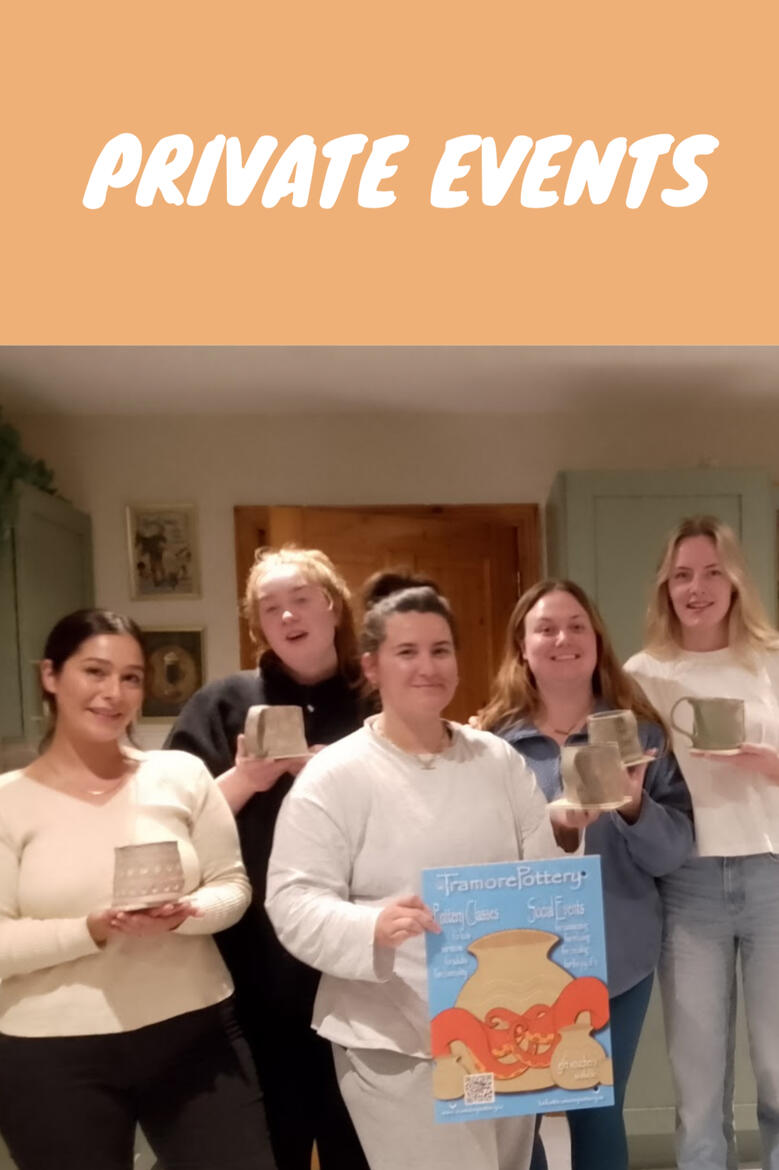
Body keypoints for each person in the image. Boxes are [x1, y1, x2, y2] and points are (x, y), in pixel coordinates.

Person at [265, 572, 562, 1170]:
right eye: (407, 652)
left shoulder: (497, 761)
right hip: (394, 1037)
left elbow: (545, 876)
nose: (428, 667)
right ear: (371, 667)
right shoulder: (337, 776)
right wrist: (370, 927)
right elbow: (292, 899)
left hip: (501, 1028)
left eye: (440, 649)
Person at [0, 609, 274, 1170]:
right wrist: (90, 930)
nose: (113, 693)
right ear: (50, 676)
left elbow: (232, 885)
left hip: (197, 1036)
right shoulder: (8, 801)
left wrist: (185, 913)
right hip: (51, 1055)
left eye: (130, 677)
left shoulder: (181, 775)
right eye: (95, 672)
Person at [479, 579, 694, 1170]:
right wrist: (559, 830)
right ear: (521, 647)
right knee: (522, 1112)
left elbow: (672, 854)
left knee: (597, 1108)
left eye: (576, 626)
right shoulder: (489, 744)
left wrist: (632, 806)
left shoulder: (642, 737)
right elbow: (480, 856)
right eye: (545, 628)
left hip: (617, 959)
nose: (562, 639)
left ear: (597, 640)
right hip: (523, 963)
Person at [166, 545, 369, 1170]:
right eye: (269, 608)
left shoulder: (379, 701)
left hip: (361, 961)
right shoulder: (224, 702)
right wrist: (247, 777)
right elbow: (174, 826)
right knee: (270, 1142)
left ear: (332, 605)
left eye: (300, 599)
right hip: (255, 967)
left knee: (357, 1143)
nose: (286, 616)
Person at [625, 515, 779, 1170]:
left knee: (778, 1067)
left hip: (772, 874)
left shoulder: (771, 659)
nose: (697, 587)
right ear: (665, 587)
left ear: (735, 580)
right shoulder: (643, 672)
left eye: (712, 571)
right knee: (697, 1076)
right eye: (681, 574)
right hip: (687, 883)